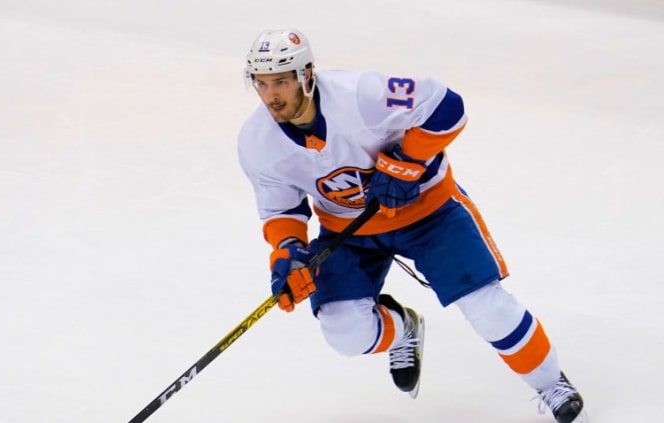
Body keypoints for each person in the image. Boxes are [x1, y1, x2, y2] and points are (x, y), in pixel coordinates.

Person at [237, 28, 588, 423]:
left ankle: (550, 384)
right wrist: (288, 251)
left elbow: (448, 106)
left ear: (306, 75)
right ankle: (402, 327)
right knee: (345, 334)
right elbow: (282, 209)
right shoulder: (256, 141)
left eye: (281, 81)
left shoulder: (360, 96)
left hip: (428, 212)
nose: (272, 96)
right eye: (262, 84)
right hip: (348, 234)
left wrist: (407, 162)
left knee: (487, 308)